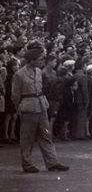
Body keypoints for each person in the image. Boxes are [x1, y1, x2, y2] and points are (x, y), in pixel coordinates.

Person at [11, 42, 69, 173]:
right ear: (31, 60)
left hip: (41, 105)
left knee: (45, 134)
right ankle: (27, 163)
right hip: (28, 107)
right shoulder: (19, 75)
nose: (42, 61)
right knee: (27, 137)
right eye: (40, 59)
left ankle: (52, 162)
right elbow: (15, 96)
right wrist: (18, 108)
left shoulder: (38, 72)